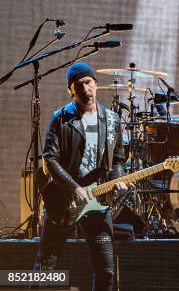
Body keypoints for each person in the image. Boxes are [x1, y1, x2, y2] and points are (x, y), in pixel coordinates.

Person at [35, 62, 130, 291]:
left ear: (96, 84)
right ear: (71, 91)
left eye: (88, 83)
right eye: (79, 86)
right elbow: (50, 159)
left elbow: (117, 159)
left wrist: (119, 181)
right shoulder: (61, 118)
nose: (85, 89)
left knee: (106, 272)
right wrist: (74, 188)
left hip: (98, 203)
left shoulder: (112, 120)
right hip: (64, 202)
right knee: (45, 268)